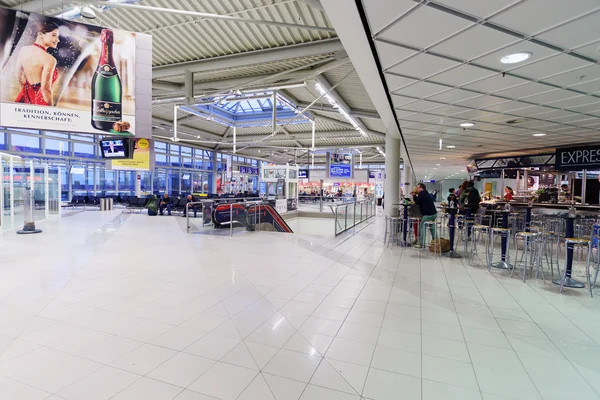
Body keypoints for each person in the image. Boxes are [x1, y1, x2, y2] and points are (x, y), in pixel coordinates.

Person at [14, 20, 60, 106]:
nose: (58, 40)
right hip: (41, 101)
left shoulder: (23, 50)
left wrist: (27, 90)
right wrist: (51, 110)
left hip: (24, 96)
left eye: (57, 36)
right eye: (54, 35)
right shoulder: (49, 59)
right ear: (40, 34)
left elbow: (18, 75)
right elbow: (46, 89)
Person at [413, 183, 437, 248]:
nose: (417, 189)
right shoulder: (426, 193)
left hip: (428, 214)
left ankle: (421, 243)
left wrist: (414, 196)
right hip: (434, 213)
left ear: (421, 188)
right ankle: (436, 242)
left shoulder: (421, 193)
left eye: (418, 188)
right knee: (432, 228)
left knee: (421, 227)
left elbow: (417, 202)